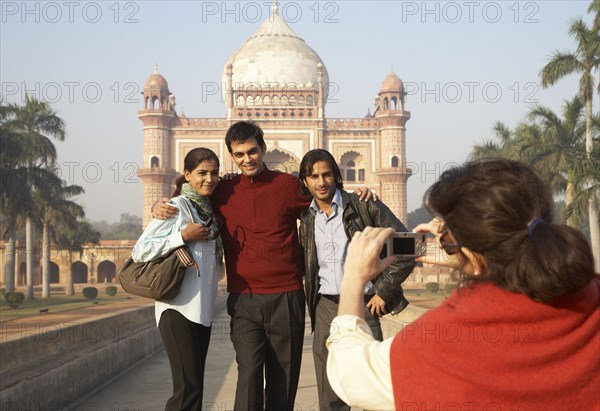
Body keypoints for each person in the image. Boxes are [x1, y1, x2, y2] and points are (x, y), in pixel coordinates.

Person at [326, 159, 600, 411]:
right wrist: (463, 250)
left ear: (470, 253)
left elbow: (350, 374)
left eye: (449, 238)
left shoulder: (451, 334)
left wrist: (353, 277)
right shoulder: (589, 295)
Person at [152, 122, 377, 410]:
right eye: (239, 154)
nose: (247, 159)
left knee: (283, 379)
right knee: (248, 373)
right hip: (244, 300)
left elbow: (326, 195)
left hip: (287, 296)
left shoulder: (286, 186)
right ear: (232, 156)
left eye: (252, 151)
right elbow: (190, 194)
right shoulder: (224, 190)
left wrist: (360, 197)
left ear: (264, 150)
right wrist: (160, 205)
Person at [297, 149, 415, 411]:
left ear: (337, 176)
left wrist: (383, 291)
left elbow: (408, 248)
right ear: (304, 181)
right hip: (325, 306)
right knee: (330, 393)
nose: (321, 182)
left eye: (327, 174)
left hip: (366, 303)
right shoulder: (307, 218)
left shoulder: (365, 205)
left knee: (373, 387)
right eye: (313, 176)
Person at [132, 148, 223, 411]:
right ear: (187, 175)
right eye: (201, 173)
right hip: (177, 311)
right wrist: (182, 236)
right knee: (186, 390)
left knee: (194, 390)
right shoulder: (177, 206)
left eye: (214, 173)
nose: (209, 179)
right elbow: (140, 250)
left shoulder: (210, 212)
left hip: (202, 312)